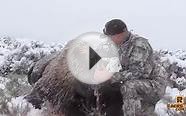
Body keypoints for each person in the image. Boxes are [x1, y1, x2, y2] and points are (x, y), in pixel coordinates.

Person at [96, 19, 168, 116]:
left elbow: (139, 72)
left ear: (120, 35)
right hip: (140, 81)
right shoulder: (120, 45)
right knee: (108, 87)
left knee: (128, 87)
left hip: (154, 84)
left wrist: (111, 77)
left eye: (110, 37)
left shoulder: (139, 45)